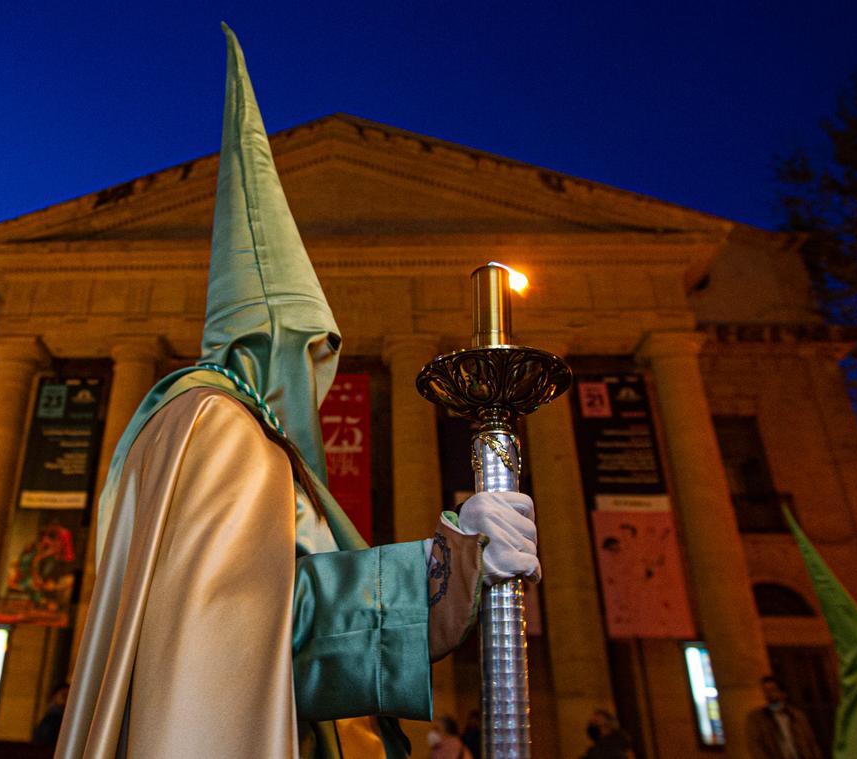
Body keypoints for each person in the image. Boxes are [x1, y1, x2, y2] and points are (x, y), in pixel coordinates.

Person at [55, 24, 540, 759]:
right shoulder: (214, 423)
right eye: (314, 348)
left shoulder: (229, 433)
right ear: (269, 339)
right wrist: (449, 566)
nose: (321, 378)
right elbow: (248, 627)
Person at [745, 676, 822, 759]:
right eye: (766, 691)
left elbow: (811, 742)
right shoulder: (757, 719)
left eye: (772, 690)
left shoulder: (797, 716)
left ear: (783, 693)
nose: (769, 695)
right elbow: (755, 747)